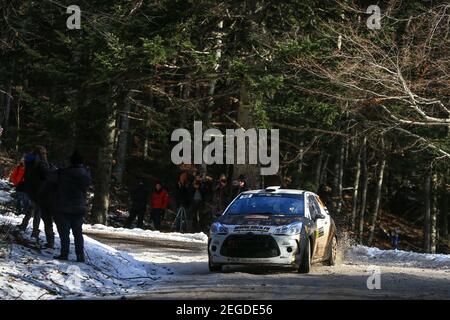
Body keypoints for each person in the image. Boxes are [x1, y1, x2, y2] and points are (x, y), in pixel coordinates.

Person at [53, 150, 91, 262]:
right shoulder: (86, 174)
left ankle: (64, 254)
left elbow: (53, 181)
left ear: (71, 161)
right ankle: (80, 255)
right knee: (78, 233)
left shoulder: (63, 173)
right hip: (79, 206)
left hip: (64, 206)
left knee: (64, 233)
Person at [21, 146, 55, 248]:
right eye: (44, 153)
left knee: (32, 208)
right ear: (42, 154)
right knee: (39, 212)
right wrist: (51, 167)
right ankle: (35, 233)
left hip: (30, 189)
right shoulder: (41, 163)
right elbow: (47, 175)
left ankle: (25, 226)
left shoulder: (29, 161)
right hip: (40, 191)